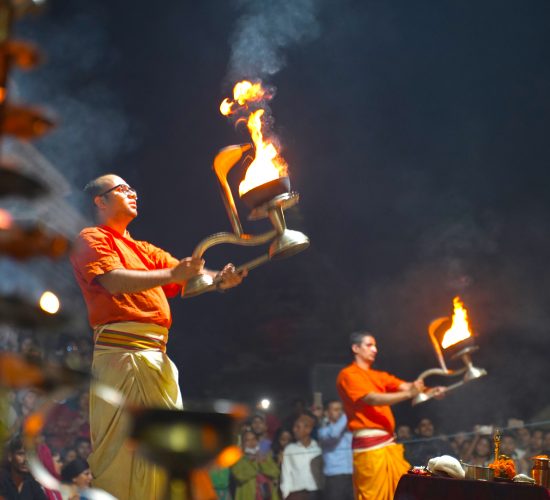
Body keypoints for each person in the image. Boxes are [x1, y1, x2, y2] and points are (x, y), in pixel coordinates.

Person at [70, 174, 246, 499]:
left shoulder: (143, 248)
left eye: (133, 187)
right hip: (122, 358)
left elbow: (186, 275)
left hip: (157, 358)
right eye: (122, 189)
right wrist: (172, 275)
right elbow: (113, 281)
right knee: (126, 455)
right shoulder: (90, 238)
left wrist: (219, 279)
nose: (133, 193)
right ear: (100, 201)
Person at [336, 331, 444, 500]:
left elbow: (407, 386)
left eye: (375, 345)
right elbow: (371, 398)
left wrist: (431, 391)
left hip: (389, 445)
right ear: (356, 348)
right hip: (369, 450)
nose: (375, 350)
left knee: (403, 491)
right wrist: (410, 394)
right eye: (369, 345)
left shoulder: (379, 376)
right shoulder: (348, 374)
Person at [280, 414, 323, 500]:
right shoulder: (290, 449)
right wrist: (285, 494)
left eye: (298, 427)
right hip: (296, 494)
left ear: (308, 429)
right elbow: (286, 473)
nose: (294, 430)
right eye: (294, 426)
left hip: (315, 493)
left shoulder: (318, 449)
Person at [317, 400, 353, 500]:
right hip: (335, 478)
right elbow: (334, 434)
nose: (340, 412)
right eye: (336, 410)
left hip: (352, 475)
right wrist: (347, 414)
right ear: (327, 413)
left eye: (341, 409)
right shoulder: (323, 431)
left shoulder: (349, 430)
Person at [231, 430, 280, 500]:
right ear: (243, 444)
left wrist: (263, 463)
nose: (252, 443)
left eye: (254, 439)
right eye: (247, 440)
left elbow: (276, 473)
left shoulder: (265, 455)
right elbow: (239, 476)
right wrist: (253, 461)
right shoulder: (238, 459)